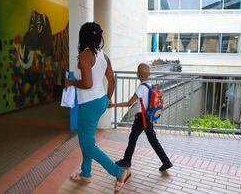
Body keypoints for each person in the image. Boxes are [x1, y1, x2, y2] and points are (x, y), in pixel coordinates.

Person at [65, 22, 130, 192]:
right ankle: (86, 173)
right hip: (100, 100)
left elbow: (87, 83)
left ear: (83, 36)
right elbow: (112, 80)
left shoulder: (85, 55)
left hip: (90, 104)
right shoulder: (103, 56)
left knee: (86, 144)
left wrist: (71, 82)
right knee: (87, 141)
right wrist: (108, 99)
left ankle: (119, 172)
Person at [109, 63, 173, 171]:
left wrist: (113, 105)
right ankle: (166, 161)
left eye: (137, 72)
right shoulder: (150, 85)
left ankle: (127, 160)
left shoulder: (141, 88)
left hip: (141, 118)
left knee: (133, 138)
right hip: (148, 117)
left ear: (140, 74)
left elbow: (129, 103)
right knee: (153, 140)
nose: (137, 74)